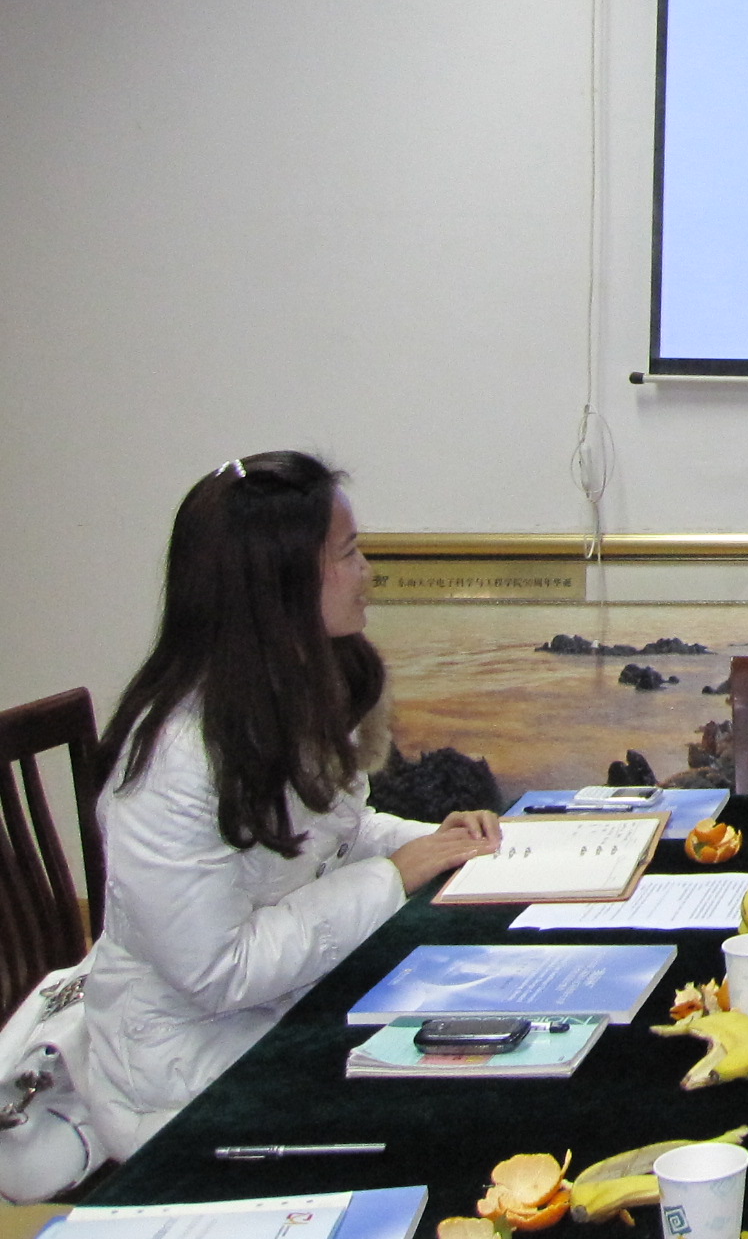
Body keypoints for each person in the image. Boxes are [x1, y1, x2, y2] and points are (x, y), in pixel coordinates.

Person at [84, 452, 500, 1159]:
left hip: (285, 1012)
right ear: (279, 581)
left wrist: (433, 841)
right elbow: (220, 971)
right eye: (348, 553)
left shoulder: (295, 688)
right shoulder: (173, 759)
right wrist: (392, 876)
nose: (367, 571)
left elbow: (332, 835)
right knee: (456, 1128)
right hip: (186, 1077)